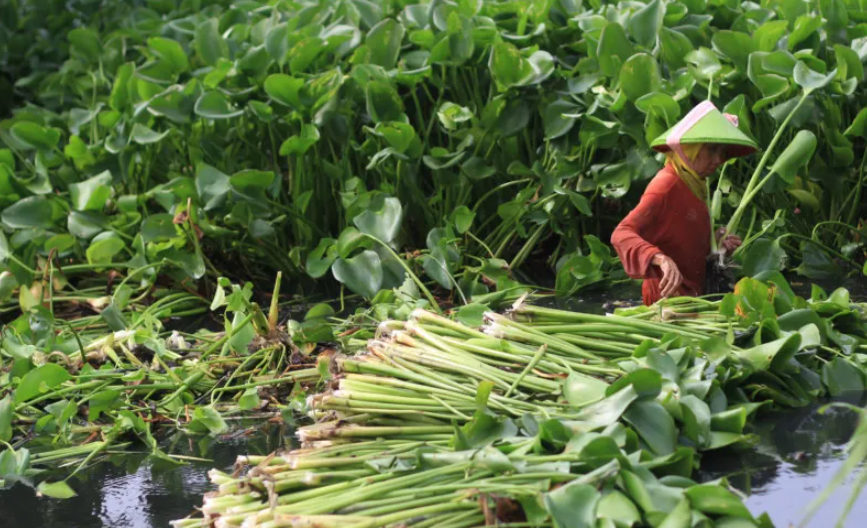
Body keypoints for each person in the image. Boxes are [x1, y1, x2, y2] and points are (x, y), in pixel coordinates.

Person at [611, 101, 759, 306]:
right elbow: (621, 234)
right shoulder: (665, 185)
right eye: (711, 150)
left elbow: (680, 240)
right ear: (690, 148)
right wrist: (660, 259)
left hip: (694, 297)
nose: (718, 160)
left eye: (722, 153)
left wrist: (715, 244)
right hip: (665, 299)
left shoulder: (696, 183)